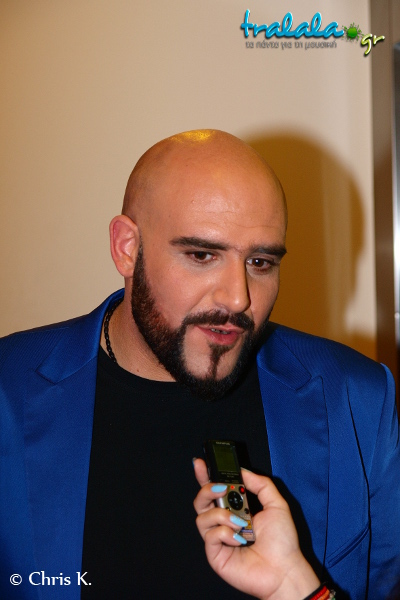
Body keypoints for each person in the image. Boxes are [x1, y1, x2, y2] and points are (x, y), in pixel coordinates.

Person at [0, 129, 399, 600]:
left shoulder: (356, 398)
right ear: (127, 248)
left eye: (260, 262)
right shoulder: (9, 388)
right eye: (202, 255)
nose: (237, 298)